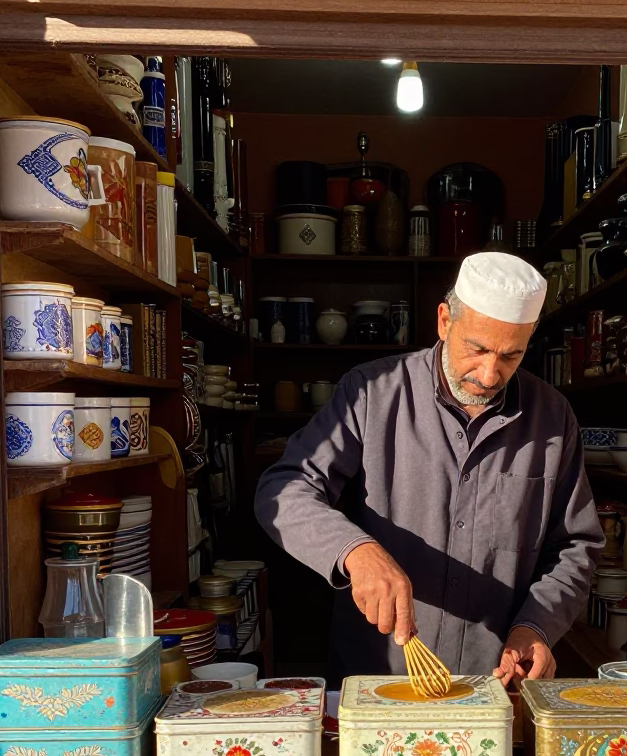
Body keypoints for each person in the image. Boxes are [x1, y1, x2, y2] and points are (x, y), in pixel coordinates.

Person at [255, 252, 603, 684]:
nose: (490, 374)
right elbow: (284, 488)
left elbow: (574, 546)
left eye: (511, 356)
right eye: (476, 349)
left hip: (492, 683)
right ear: (444, 321)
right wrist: (354, 552)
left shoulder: (553, 417)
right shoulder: (372, 393)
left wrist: (536, 626)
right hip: (379, 677)